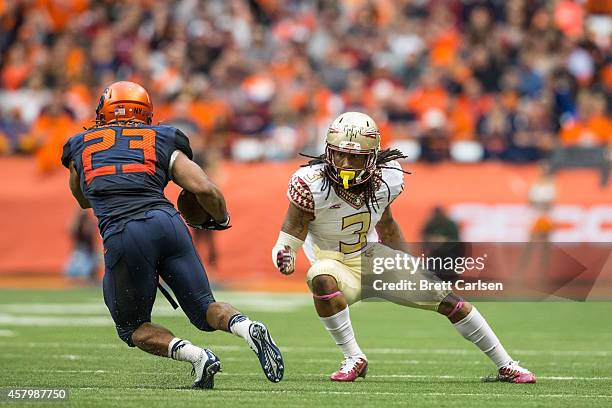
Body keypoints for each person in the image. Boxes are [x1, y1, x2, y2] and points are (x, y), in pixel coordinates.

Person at [272, 111, 535, 383]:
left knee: (450, 302)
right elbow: (289, 235)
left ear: (372, 157)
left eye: (355, 156)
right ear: (328, 152)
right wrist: (285, 254)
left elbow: (386, 223)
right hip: (334, 263)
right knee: (321, 277)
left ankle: (507, 364)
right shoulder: (311, 183)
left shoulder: (386, 179)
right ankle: (354, 357)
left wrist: (407, 261)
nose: (345, 163)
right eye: (339, 154)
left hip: (369, 256)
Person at [61, 81, 283, 389]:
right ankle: (246, 326)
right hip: (169, 224)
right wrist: (220, 218)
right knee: (205, 309)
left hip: (125, 233)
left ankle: (197, 357)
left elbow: (82, 198)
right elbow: (205, 188)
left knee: (132, 328)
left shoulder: (80, 144)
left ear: (105, 112)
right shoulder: (161, 138)